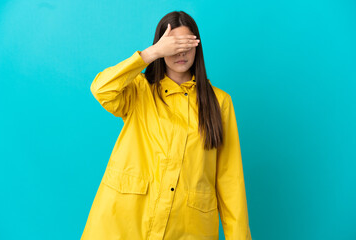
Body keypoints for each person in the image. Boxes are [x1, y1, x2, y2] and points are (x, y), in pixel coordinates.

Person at [81, 10, 252, 240]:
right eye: (173, 44)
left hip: (187, 230)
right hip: (124, 223)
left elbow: (230, 181)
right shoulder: (139, 90)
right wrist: (150, 54)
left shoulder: (220, 103)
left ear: (197, 47)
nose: (180, 51)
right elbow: (101, 89)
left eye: (187, 44)